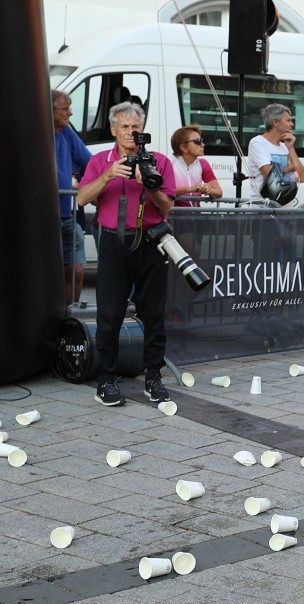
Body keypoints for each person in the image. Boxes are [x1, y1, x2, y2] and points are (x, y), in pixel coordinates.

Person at [77, 102, 177, 406]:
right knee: (110, 314)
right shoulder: (99, 161)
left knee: (154, 315)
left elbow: (167, 206)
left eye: (136, 127)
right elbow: (82, 198)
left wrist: (147, 185)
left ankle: (153, 378)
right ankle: (105, 380)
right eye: (125, 127)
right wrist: (108, 176)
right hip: (113, 243)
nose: (131, 132)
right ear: (113, 130)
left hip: (151, 243)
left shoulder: (158, 161)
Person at [53, 89, 93, 305]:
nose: (70, 113)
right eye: (65, 108)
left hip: (67, 214)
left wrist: (86, 185)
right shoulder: (35, 132)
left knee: (76, 270)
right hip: (40, 216)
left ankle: (72, 319)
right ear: (49, 110)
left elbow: (91, 163)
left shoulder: (67, 133)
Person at [248, 103, 304, 205]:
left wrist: (291, 148)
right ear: (275, 122)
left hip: (285, 208)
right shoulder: (257, 142)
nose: (292, 124)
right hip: (264, 209)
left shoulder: (285, 146)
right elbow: (271, 176)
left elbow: (302, 177)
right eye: (288, 120)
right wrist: (292, 168)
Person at [170, 125, 222, 206]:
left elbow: (219, 192)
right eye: (197, 141)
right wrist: (189, 189)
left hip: (196, 216)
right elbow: (164, 191)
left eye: (202, 140)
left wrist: (209, 190)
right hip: (173, 217)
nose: (203, 144)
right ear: (183, 147)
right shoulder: (168, 162)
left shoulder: (203, 164)